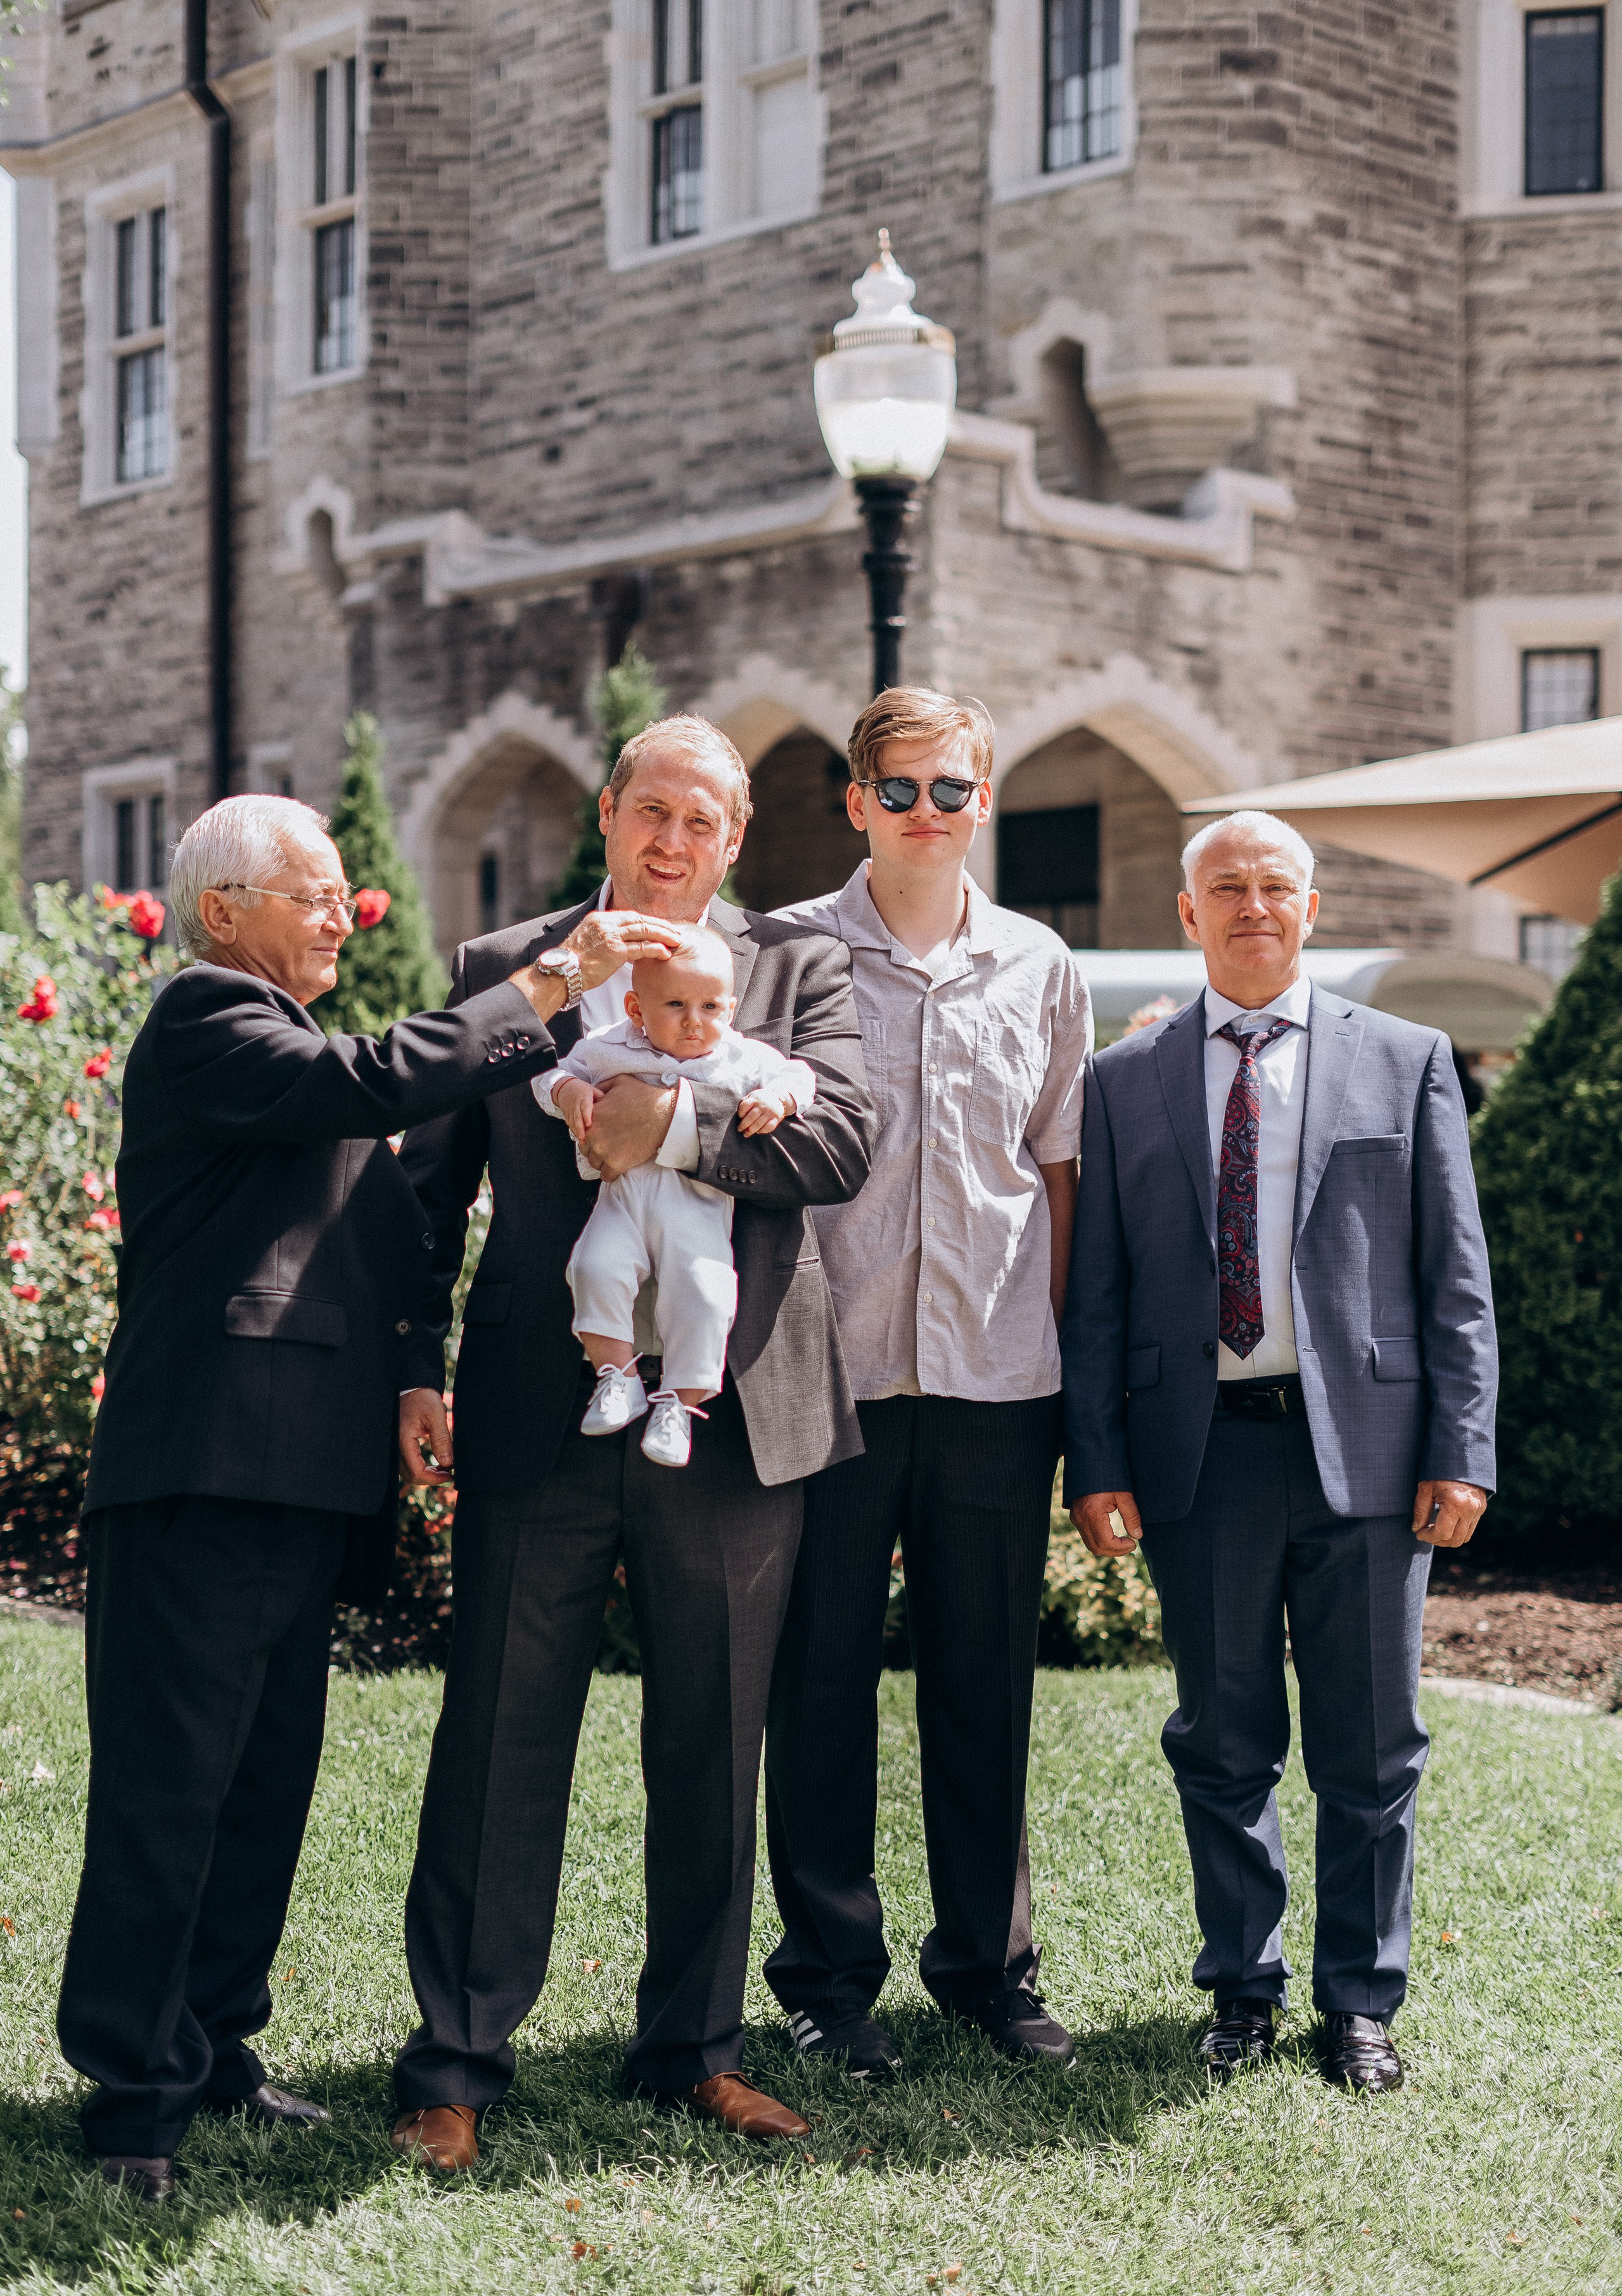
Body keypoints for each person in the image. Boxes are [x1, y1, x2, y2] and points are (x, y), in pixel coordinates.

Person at [56, 792, 674, 2202]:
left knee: (262, 1782)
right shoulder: (208, 1016)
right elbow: (379, 1082)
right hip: (204, 1469)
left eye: (345, 891)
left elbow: (389, 1236)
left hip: (303, 1479)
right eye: (316, 893)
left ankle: (214, 2041)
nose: (345, 913)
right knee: (170, 1789)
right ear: (224, 911)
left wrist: (411, 1368)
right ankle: (133, 2093)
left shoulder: (289, 1046)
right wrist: (552, 983)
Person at [391, 715, 876, 2165]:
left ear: (735, 839)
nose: (672, 840)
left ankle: (694, 2048)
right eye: (650, 810)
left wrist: (662, 1131)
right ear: (605, 812)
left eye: (701, 820)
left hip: (731, 1414)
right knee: (498, 1727)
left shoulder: (796, 965)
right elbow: (427, 1184)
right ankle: (455, 2059)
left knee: (714, 1734)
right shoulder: (507, 966)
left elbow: (839, 1141)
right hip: (538, 1401)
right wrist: (412, 1364)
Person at [1063, 809, 1497, 2094]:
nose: (1251, 904)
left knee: (1371, 1746)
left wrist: (1462, 1445)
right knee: (1221, 1735)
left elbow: (1455, 1277)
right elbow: (1097, 1291)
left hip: (1369, 1452)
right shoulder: (1121, 1079)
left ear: (1310, 907)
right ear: (1186, 911)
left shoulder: (1408, 1059)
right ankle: (1242, 1990)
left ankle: (1358, 2001)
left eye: (1273, 885)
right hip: (1201, 1454)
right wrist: (1097, 1459)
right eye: (1226, 886)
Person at [763, 688, 1093, 2080]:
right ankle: (828, 1980)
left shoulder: (1040, 964)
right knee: (820, 1684)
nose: (924, 812)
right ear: (856, 802)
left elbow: (1056, 1173)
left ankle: (986, 1970)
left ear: (981, 799)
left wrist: (1051, 1356)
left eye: (949, 788)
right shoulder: (784, 951)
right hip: (827, 1381)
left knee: (983, 1683)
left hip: (995, 1381)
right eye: (897, 789)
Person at [538, 927, 819, 1466]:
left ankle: (680, 1404)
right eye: (675, 1005)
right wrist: (568, 1091)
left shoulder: (739, 1057)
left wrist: (778, 1099)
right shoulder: (609, 1047)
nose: (694, 1021)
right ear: (636, 1009)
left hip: (696, 1205)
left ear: (730, 1009)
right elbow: (549, 1077)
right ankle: (617, 1375)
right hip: (623, 1198)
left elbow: (799, 1075)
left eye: (710, 1006)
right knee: (593, 1267)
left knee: (705, 1295)